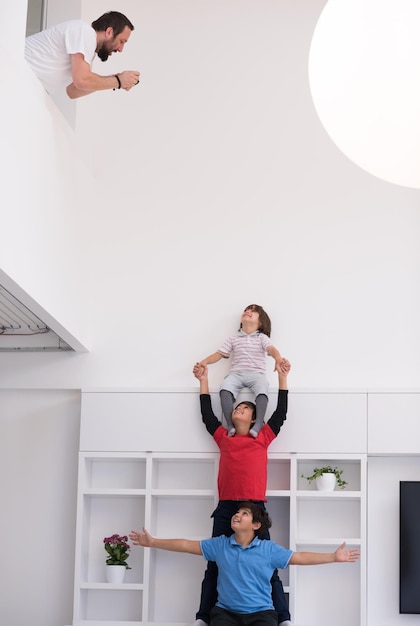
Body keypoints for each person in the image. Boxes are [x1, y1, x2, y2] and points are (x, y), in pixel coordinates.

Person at [129, 501, 360, 626]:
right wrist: (154, 542)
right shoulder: (220, 545)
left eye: (245, 513)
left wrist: (333, 557)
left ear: (256, 525)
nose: (237, 515)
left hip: (262, 615)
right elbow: (186, 545)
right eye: (237, 512)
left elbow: (299, 558)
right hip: (225, 614)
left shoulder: (268, 550)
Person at [190, 361, 292, 626]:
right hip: (226, 509)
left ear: (254, 418)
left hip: (254, 508)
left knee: (267, 566)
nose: (240, 408)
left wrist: (283, 379)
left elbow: (280, 413)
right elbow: (207, 415)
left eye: (246, 407)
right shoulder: (224, 437)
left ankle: (283, 618)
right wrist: (204, 380)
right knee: (214, 564)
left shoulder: (264, 436)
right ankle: (203, 617)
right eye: (237, 406)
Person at [195, 304, 286, 438]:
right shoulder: (234, 339)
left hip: (256, 374)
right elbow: (219, 354)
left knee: (262, 388)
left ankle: (258, 423)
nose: (248, 311)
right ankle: (230, 425)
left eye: (253, 311)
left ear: (260, 322)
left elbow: (271, 349)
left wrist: (278, 358)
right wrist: (205, 361)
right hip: (236, 374)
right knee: (225, 388)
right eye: (246, 310)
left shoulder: (261, 338)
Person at [24, 11, 140, 99]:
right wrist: (118, 81)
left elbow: (73, 91)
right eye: (122, 41)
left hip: (26, 82)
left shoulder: (86, 48)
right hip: (19, 72)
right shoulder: (84, 31)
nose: (121, 49)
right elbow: (82, 81)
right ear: (109, 32)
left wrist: (115, 80)